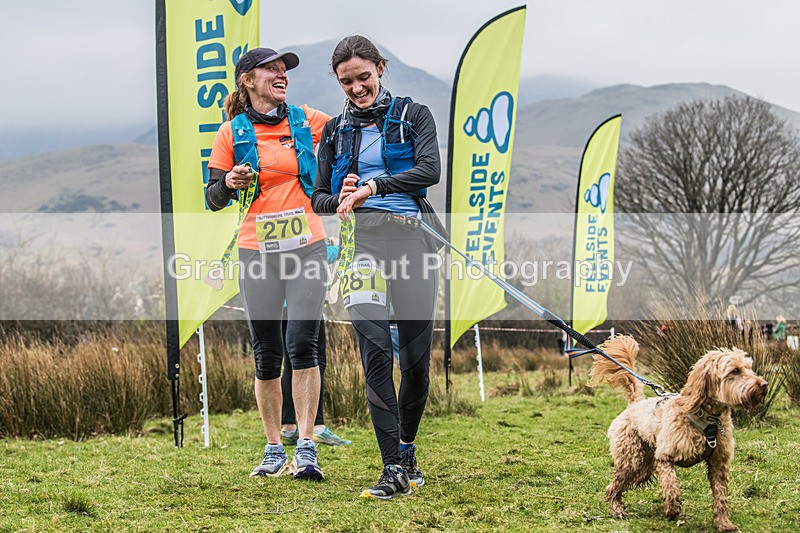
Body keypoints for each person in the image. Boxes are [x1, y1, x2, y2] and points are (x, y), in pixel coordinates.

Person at [312, 35, 442, 499]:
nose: (357, 88)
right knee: (376, 356)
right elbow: (318, 197)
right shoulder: (334, 132)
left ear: (380, 69)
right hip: (360, 245)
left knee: (416, 364)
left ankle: (407, 448)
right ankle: (392, 468)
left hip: (411, 242)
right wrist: (342, 195)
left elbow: (429, 170)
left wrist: (373, 186)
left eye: (363, 77)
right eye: (346, 82)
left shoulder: (414, 115)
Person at [205, 47, 330, 481]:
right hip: (256, 251)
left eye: (284, 70)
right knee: (267, 352)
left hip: (308, 245)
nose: (282, 75)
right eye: (271, 70)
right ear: (247, 80)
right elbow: (213, 198)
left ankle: (307, 445)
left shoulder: (307, 119)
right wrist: (228, 182)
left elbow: (347, 133)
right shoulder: (230, 132)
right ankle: (274, 447)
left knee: (302, 343)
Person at [280, 239, 351, 447]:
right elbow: (321, 253)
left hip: (282, 303)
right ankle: (316, 427)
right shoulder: (306, 236)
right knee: (315, 362)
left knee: (290, 364)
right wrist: (339, 246)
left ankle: (288, 427)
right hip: (305, 301)